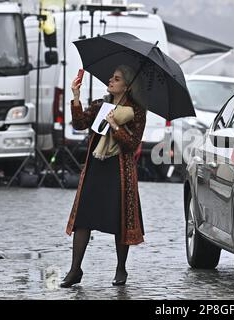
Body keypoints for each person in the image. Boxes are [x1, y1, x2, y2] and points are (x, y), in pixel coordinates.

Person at [60, 65, 147, 288]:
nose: (111, 80)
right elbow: (80, 124)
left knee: (119, 220)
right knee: (83, 218)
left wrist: (115, 126)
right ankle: (75, 269)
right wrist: (76, 97)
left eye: (116, 79)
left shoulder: (136, 111)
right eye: (112, 77)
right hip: (96, 168)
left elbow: (132, 144)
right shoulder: (101, 104)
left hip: (119, 171)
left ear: (126, 86)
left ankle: (121, 269)